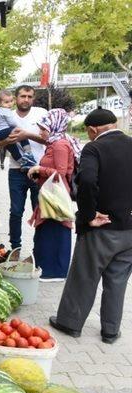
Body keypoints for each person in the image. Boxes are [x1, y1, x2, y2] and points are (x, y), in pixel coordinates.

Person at [49, 108, 131, 344]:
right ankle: (111, 331)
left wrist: (87, 216)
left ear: (93, 130)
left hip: (102, 228)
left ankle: (70, 323)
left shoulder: (93, 148)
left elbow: (86, 181)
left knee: (84, 275)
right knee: (118, 280)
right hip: (129, 229)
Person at [0, 85, 48, 250]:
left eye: (29, 96)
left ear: (33, 98)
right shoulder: (4, 114)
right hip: (17, 171)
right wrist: (9, 140)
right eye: (23, 96)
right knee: (15, 212)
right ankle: (15, 248)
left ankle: (39, 248)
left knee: (40, 212)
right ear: (16, 98)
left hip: (39, 170)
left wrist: (26, 135)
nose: (26, 99)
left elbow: (51, 140)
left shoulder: (41, 114)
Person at [26, 109, 78, 281]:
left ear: (54, 126)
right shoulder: (53, 143)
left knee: (55, 230)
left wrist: (40, 169)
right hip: (50, 194)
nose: (40, 132)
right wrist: (39, 175)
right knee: (48, 230)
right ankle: (46, 267)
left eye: (43, 128)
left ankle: (54, 271)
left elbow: (61, 172)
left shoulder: (60, 145)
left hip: (56, 196)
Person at [0, 90, 36, 171]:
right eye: (6, 102)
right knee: (21, 132)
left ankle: (21, 162)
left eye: (11, 101)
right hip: (4, 131)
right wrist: (18, 127)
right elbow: (12, 122)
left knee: (13, 148)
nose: (10, 104)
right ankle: (28, 152)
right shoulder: (6, 111)